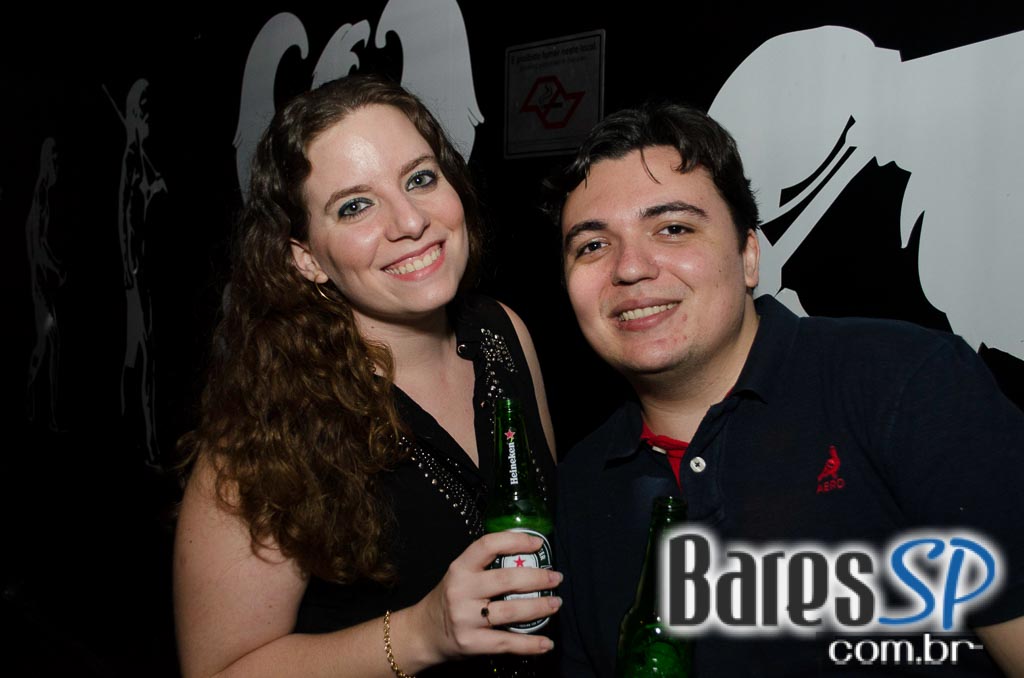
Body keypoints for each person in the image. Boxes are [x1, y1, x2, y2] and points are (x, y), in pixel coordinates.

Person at [544, 102, 1024, 676]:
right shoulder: (579, 484)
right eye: (592, 246)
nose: (630, 268)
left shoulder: (906, 383)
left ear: (749, 256)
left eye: (673, 229)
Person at [173, 74, 560, 678]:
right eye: (355, 205)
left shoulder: (502, 333)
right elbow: (217, 671)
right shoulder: (268, 426)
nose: (409, 220)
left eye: (420, 179)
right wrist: (420, 634)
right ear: (305, 257)